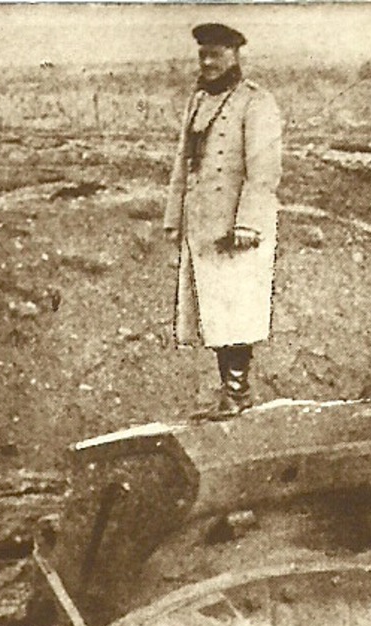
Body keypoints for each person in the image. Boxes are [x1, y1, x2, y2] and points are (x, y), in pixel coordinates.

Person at [164, 21, 284, 418]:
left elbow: (263, 169)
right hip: (202, 226)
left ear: (234, 55)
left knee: (236, 311)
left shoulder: (256, 102)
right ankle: (229, 392)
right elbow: (183, 164)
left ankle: (238, 393)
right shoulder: (197, 101)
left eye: (215, 54)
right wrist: (174, 216)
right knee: (214, 314)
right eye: (203, 54)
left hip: (237, 229)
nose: (208, 62)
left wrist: (248, 224)